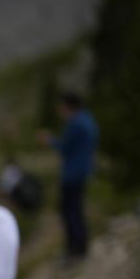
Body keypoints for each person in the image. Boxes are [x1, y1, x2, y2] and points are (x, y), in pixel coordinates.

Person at [38, 91, 98, 261]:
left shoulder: (76, 124)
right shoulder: (87, 119)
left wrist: (49, 140)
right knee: (76, 210)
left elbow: (64, 148)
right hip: (83, 170)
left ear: (68, 106)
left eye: (62, 106)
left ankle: (75, 249)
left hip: (72, 174)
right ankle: (80, 246)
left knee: (70, 211)